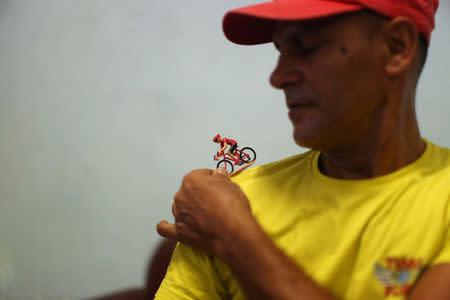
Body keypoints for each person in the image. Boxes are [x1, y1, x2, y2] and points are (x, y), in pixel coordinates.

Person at [155, 0, 450, 299]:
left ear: (397, 46)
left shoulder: (223, 216)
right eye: (280, 51)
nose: (278, 77)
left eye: (307, 47)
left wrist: (233, 236)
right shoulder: (232, 199)